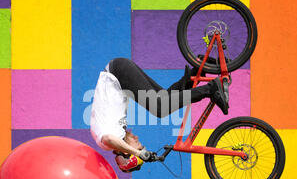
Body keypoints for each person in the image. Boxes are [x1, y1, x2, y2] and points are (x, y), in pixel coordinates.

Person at [90, 58, 228, 172]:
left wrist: (139, 154)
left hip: (118, 73)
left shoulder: (107, 143)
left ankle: (210, 89)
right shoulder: (115, 133)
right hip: (118, 71)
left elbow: (108, 138)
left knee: (160, 109)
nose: (137, 137)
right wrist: (140, 152)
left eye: (137, 144)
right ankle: (201, 68)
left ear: (127, 152)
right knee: (164, 98)